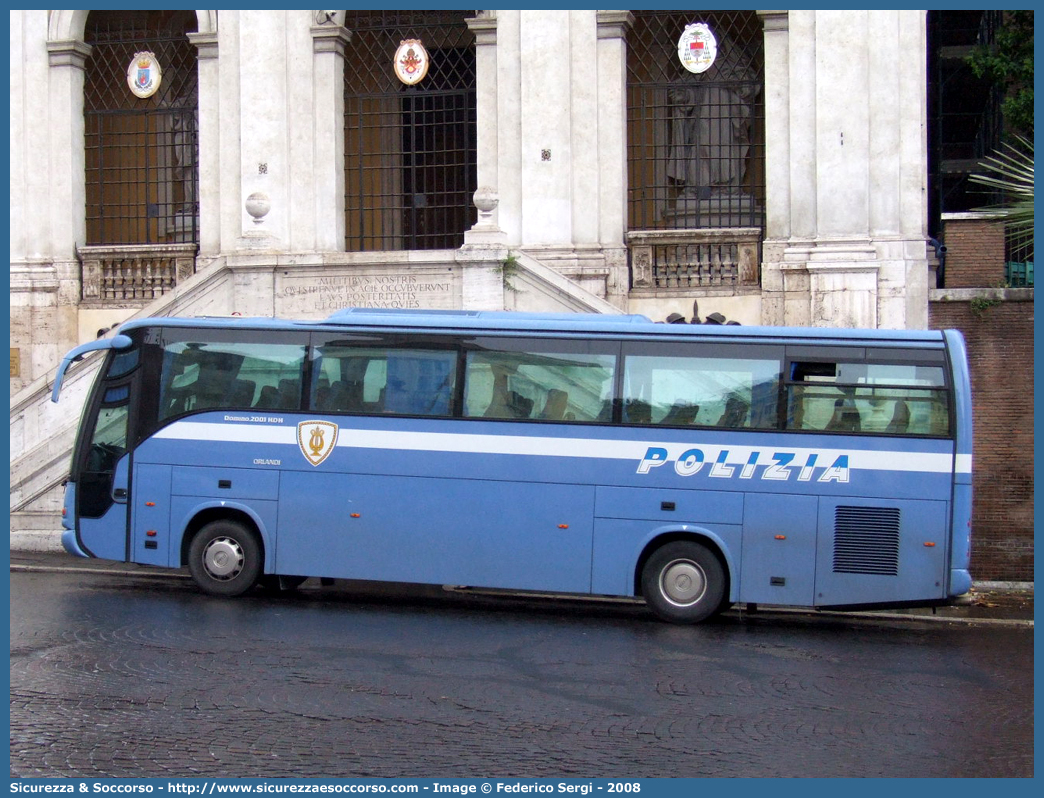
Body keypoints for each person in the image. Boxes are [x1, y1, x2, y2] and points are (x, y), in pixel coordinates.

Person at [667, 40, 759, 199]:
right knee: (701, 148)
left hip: (726, 118)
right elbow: (690, 90)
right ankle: (699, 186)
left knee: (724, 149)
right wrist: (684, 95)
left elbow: (749, 88)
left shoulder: (733, 66)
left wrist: (732, 82)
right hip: (702, 117)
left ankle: (727, 187)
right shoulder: (698, 66)